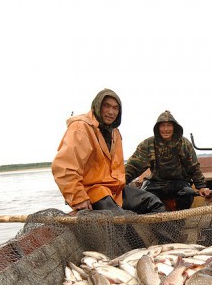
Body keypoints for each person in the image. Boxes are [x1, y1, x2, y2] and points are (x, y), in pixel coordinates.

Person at [51, 89, 174, 242]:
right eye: (106, 106)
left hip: (115, 190)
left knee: (154, 204)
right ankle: (137, 252)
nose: (111, 112)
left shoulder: (115, 131)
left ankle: (169, 246)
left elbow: (118, 169)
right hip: (92, 192)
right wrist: (78, 198)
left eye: (115, 108)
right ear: (97, 106)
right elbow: (63, 167)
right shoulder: (80, 128)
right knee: (122, 221)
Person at [125, 110, 210, 210]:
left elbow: (193, 167)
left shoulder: (184, 143)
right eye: (162, 126)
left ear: (174, 127)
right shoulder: (148, 144)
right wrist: (120, 182)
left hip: (180, 182)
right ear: (157, 127)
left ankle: (179, 220)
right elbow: (133, 166)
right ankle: (156, 223)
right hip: (155, 183)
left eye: (169, 125)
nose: (166, 129)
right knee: (144, 199)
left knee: (188, 193)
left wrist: (201, 186)